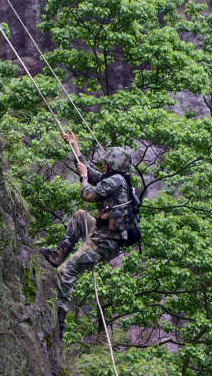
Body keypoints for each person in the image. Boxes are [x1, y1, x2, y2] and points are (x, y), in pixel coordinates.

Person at [41, 130, 140, 337]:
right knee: (79, 216)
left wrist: (84, 177)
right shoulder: (115, 179)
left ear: (114, 165)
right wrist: (74, 146)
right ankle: (57, 254)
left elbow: (88, 193)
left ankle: (58, 322)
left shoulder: (117, 182)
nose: (103, 165)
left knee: (65, 273)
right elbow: (92, 173)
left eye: (106, 163)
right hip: (101, 233)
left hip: (105, 242)